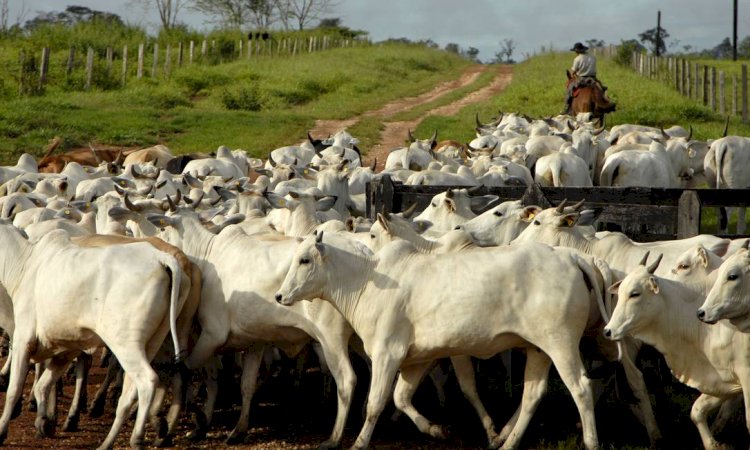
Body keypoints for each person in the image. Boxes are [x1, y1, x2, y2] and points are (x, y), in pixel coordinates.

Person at [563, 42, 601, 114]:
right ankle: (605, 101)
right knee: (601, 88)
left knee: (569, 88)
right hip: (592, 78)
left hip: (581, 78)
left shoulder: (577, 59)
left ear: (577, 51)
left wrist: (572, 73)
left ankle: (566, 107)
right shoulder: (592, 57)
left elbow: (573, 71)